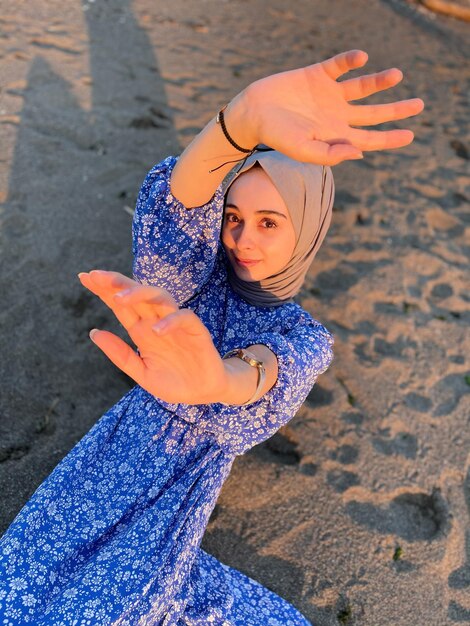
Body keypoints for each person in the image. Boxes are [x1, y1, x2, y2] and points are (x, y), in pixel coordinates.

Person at [0, 50, 424, 625]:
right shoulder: (201, 279)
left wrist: (218, 379)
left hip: (176, 490)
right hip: (106, 460)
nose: (243, 237)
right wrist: (240, 121)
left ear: (309, 225)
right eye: (235, 216)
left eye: (270, 222)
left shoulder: (301, 334)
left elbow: (272, 370)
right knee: (20, 583)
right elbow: (180, 210)